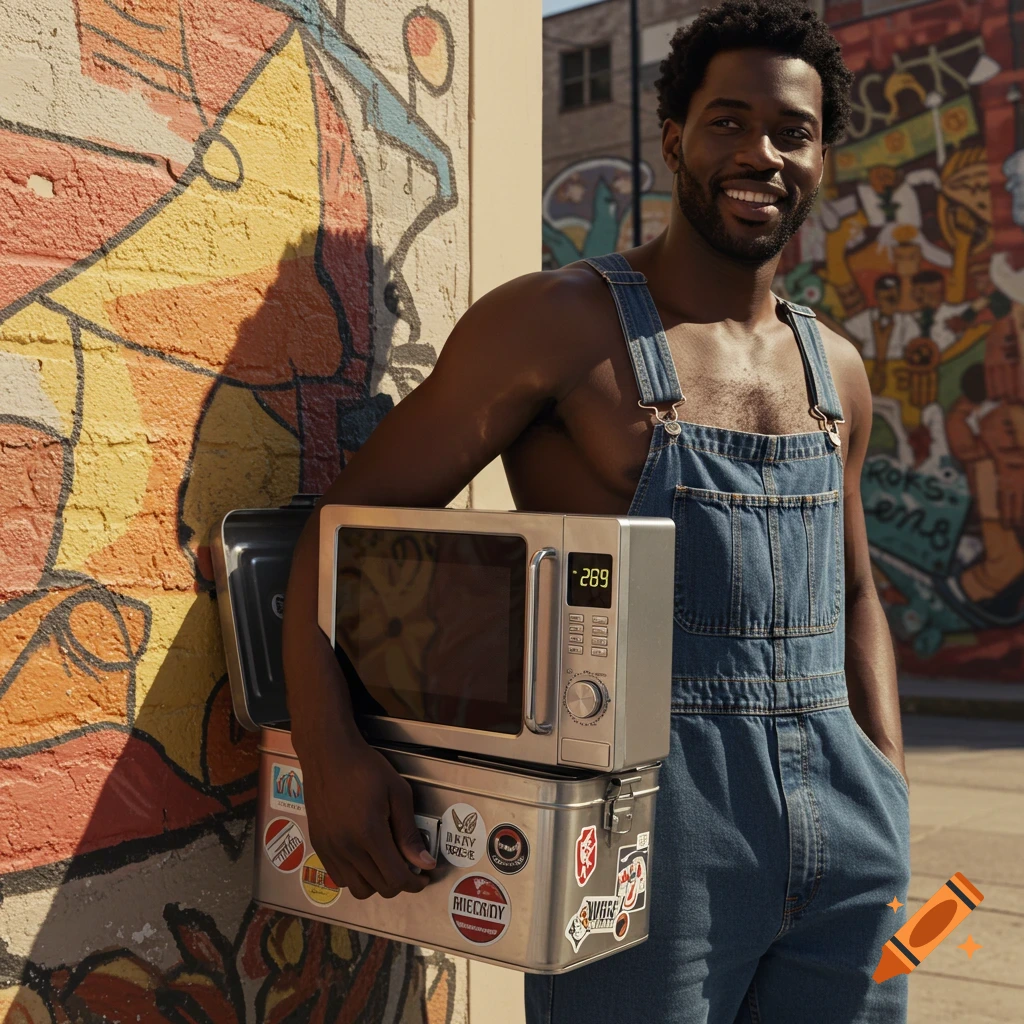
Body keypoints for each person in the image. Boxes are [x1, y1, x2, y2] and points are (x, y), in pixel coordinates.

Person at [281, 1, 910, 1020]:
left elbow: (852, 586)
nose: (760, 152)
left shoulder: (833, 366)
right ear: (674, 139)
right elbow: (339, 533)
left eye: (791, 132)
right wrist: (329, 748)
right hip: (643, 824)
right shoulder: (555, 324)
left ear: (822, 158)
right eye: (727, 122)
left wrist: (884, 779)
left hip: (847, 831)